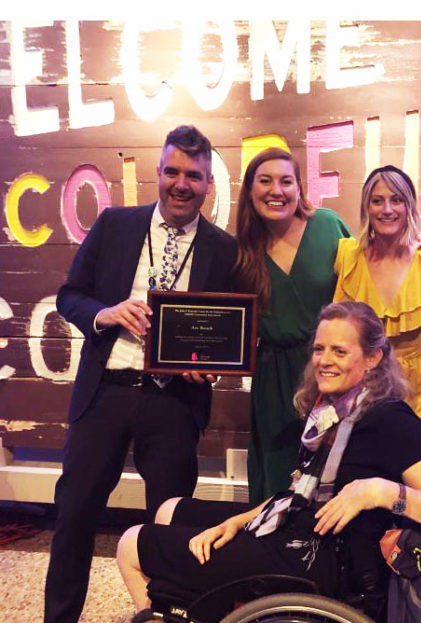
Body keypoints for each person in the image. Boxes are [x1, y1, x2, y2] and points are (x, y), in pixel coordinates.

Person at [116, 301, 421, 621]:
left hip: (329, 563)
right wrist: (238, 522)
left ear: (372, 358)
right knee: (169, 510)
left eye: (340, 351)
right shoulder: (332, 410)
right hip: (302, 530)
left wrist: (379, 491)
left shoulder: (390, 419)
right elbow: (298, 496)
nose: (324, 360)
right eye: (319, 349)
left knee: (131, 543)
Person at [44, 125, 238, 623]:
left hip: (172, 404)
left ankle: (165, 615)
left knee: (169, 522)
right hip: (105, 392)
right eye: (172, 171)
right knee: (73, 515)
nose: (181, 184)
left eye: (193, 176)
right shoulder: (114, 225)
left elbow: (225, 333)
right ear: (158, 173)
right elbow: (70, 296)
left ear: (208, 183)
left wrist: (208, 369)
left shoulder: (224, 249)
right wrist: (105, 313)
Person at [233, 148, 351, 503]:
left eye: (286, 181)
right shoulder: (243, 250)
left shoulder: (328, 226)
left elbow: (366, 275)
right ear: (250, 191)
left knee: (333, 470)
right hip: (275, 379)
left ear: (299, 188)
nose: (276, 190)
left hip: (331, 372)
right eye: (265, 181)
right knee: (279, 473)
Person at [333, 165, 421, 441]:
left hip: (420, 389)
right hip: (362, 385)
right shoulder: (348, 257)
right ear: (367, 207)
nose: (386, 209)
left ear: (409, 206)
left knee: (419, 469)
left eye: (396, 200)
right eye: (377, 200)